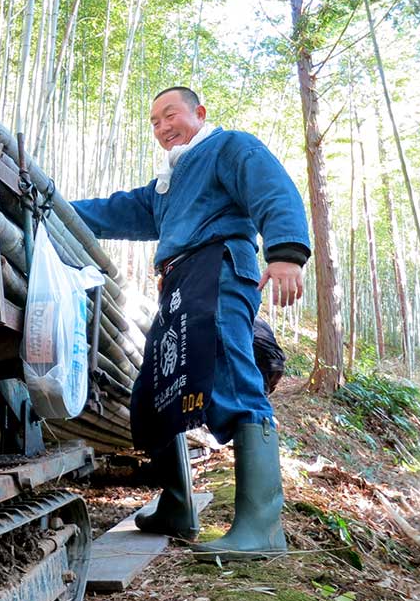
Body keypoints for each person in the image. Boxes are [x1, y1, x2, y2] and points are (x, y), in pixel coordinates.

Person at [73, 87, 310, 560]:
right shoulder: (166, 187)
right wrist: (43, 202)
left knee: (230, 377)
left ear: (199, 113)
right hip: (179, 285)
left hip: (219, 268)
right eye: (155, 121)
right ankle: (178, 507)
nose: (163, 127)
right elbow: (110, 211)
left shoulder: (227, 147)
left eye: (171, 115)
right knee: (157, 393)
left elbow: (272, 190)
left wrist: (285, 254)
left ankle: (262, 527)